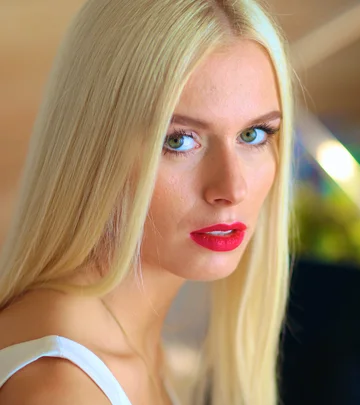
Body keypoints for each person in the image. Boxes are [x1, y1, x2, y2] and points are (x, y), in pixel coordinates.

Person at [0, 0, 294, 404]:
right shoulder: (63, 388)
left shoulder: (140, 345)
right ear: (95, 149)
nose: (232, 187)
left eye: (254, 135)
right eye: (179, 140)